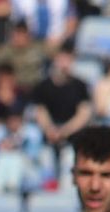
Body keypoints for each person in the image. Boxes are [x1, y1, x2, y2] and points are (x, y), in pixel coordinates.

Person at [31, 49, 93, 179]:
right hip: (48, 136)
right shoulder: (43, 86)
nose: (65, 64)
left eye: (68, 60)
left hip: (72, 136)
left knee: (69, 158)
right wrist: (49, 129)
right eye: (62, 60)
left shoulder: (80, 86)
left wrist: (64, 131)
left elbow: (84, 114)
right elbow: (40, 111)